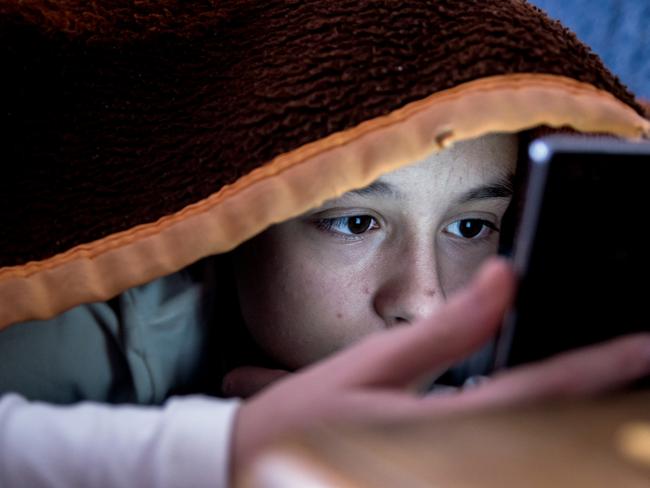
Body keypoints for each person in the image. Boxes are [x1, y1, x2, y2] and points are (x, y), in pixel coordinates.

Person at [1, 1, 649, 487]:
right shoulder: (87, 323)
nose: (423, 302)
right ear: (242, 218)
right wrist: (227, 446)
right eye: (356, 222)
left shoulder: (524, 305)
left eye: (470, 227)